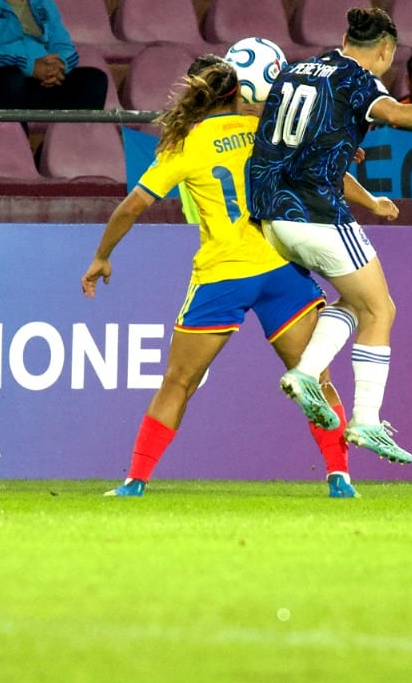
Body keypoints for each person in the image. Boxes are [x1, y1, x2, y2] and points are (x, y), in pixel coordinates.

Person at [83, 55, 361, 499]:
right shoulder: (264, 130)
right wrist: (359, 172)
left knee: (179, 382)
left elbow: (134, 203)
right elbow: (323, 164)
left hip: (224, 275)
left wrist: (102, 255)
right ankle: (340, 478)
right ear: (240, 94)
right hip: (280, 269)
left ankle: (135, 482)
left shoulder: (186, 145)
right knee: (312, 375)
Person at [246, 8, 412, 464]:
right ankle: (366, 419)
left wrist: (369, 200)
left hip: (272, 216)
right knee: (381, 308)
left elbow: (296, 145)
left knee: (356, 300)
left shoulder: (297, 72)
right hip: (316, 213)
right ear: (386, 51)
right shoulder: (358, 80)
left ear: (344, 36)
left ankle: (306, 372)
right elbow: (397, 112)